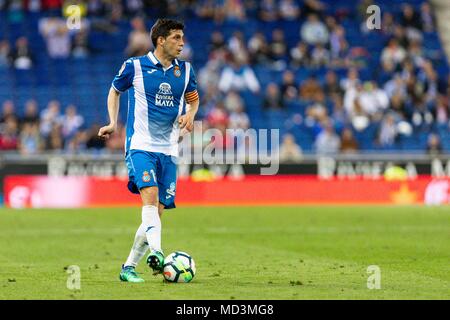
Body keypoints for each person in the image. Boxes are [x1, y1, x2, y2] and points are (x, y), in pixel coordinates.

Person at [98, 19, 199, 283]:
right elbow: (114, 91)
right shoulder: (134, 66)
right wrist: (112, 122)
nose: (182, 42)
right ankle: (157, 252)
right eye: (177, 37)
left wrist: (191, 114)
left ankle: (128, 267)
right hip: (140, 145)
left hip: (169, 150)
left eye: (182, 37)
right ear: (161, 40)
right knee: (150, 197)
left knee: (157, 211)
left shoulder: (185, 71)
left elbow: (193, 98)